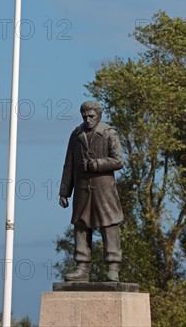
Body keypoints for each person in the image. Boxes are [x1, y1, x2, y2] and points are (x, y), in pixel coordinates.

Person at [59, 100, 124, 282]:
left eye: (91, 116)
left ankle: (113, 267)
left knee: (109, 225)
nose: (87, 120)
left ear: (99, 115)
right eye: (84, 116)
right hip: (82, 189)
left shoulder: (109, 133)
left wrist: (98, 164)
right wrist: (65, 191)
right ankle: (82, 267)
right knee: (81, 226)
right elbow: (69, 165)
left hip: (104, 190)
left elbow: (118, 160)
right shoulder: (76, 135)